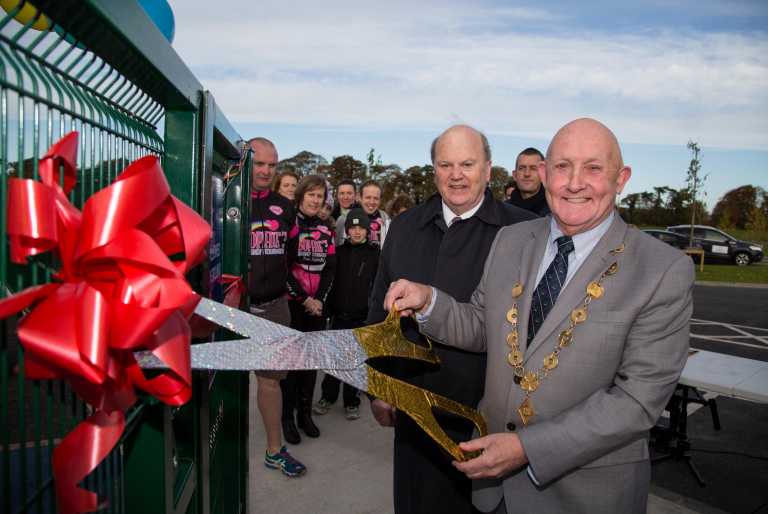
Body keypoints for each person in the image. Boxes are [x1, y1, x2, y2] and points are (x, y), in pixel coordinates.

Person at [383, 118, 694, 514]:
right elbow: (481, 324)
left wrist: (526, 448)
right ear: (545, 175)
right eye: (562, 166)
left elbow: (637, 401)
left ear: (621, 178)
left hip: (584, 494)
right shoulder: (512, 241)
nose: (575, 182)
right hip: (493, 491)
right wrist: (429, 301)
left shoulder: (661, 269)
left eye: (593, 168)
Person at [367, 125, 535, 514]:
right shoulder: (405, 226)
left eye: (467, 164)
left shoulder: (523, 231)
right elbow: (379, 309)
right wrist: (378, 386)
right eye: (445, 164)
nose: (456, 174)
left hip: (486, 411)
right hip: (415, 405)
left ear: (488, 169)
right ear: (434, 170)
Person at [246, 137, 306, 477]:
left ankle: (274, 450)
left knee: (270, 382)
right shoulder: (226, 201)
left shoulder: (285, 208)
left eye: (272, 164)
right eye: (259, 164)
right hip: (234, 308)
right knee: (220, 383)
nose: (266, 171)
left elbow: (292, 254)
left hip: (274, 306)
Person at [283, 174, 337, 442]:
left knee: (310, 363)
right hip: (294, 305)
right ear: (301, 195)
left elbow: (331, 269)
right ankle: (287, 418)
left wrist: (320, 301)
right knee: (292, 364)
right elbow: (283, 267)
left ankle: (305, 415)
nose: (316, 200)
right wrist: (304, 299)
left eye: (320, 196)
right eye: (311, 194)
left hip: (317, 307)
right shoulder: (290, 224)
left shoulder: (327, 228)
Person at [314, 207, 379, 420]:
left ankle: (352, 401)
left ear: (368, 230)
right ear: (347, 230)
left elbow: (380, 285)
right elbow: (330, 282)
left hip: (362, 317)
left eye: (361, 228)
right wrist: (327, 309)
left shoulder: (375, 254)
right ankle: (328, 397)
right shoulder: (338, 252)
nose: (357, 232)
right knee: (334, 360)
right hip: (339, 315)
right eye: (353, 228)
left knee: (355, 361)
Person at [337, 180, 390, 247]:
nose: (372, 202)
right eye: (368, 197)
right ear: (359, 197)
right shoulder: (344, 218)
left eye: (376, 198)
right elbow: (337, 246)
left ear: (380, 200)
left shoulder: (385, 219)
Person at [506, 148, 550, 216]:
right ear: (514, 175)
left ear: (543, 174)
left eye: (533, 168)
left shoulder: (553, 212)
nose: (527, 174)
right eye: (522, 168)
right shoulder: (501, 211)